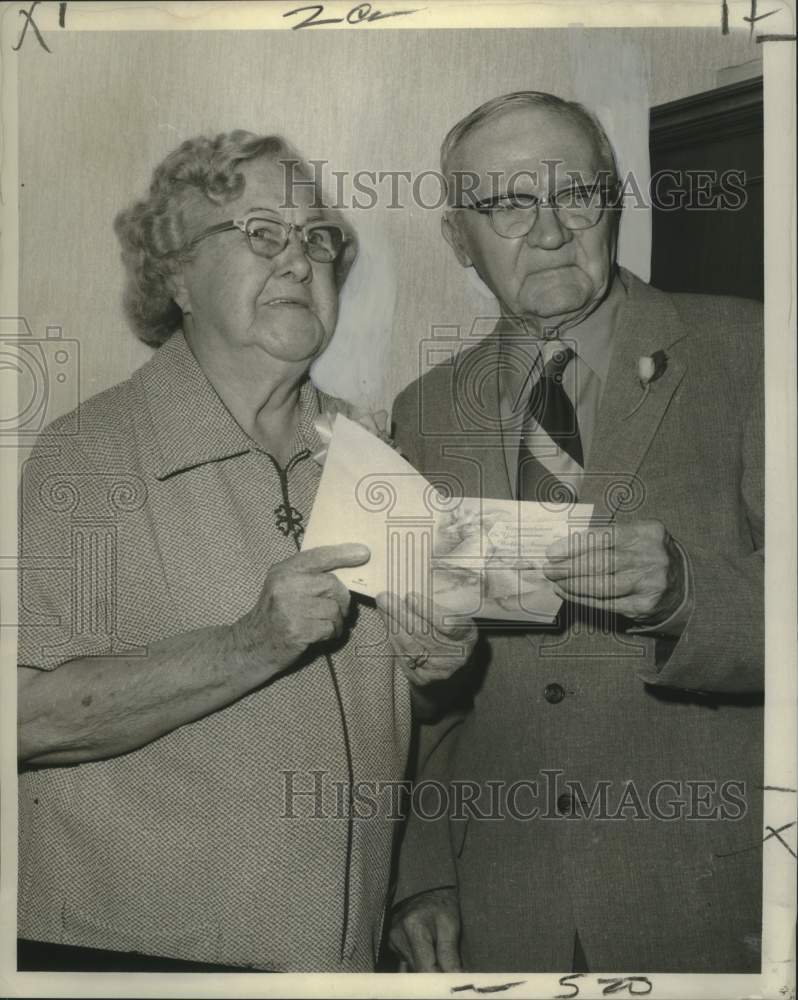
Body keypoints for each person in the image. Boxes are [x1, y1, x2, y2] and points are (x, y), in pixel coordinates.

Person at [17, 130, 476, 973]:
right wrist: (250, 642)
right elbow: (26, 718)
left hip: (342, 960)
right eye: (261, 231)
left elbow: (410, 721)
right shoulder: (87, 456)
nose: (300, 261)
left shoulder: (373, 454)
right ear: (176, 277)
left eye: (316, 237)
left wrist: (437, 660)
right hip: (136, 962)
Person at [389, 92, 763, 973]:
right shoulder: (425, 412)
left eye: (575, 194)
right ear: (458, 240)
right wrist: (420, 873)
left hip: (714, 899)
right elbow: (416, 690)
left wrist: (689, 592)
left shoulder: (751, 351)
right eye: (507, 203)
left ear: (613, 202)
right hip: (501, 909)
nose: (550, 230)